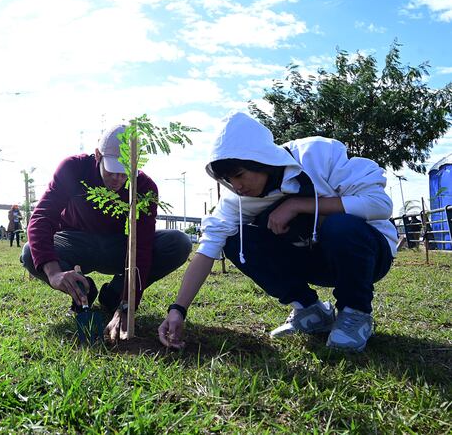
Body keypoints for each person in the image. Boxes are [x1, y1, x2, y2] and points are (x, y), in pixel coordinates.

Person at [158, 112, 397, 353]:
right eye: (228, 180)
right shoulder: (236, 200)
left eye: (239, 175)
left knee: (341, 225)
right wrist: (178, 309)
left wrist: (297, 205)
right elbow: (207, 250)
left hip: (367, 256)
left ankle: (356, 312)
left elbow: (379, 204)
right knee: (233, 238)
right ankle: (311, 312)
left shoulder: (316, 155)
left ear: (259, 161)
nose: (236, 186)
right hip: (313, 260)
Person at [22, 123, 192, 341]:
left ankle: (114, 296)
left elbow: (140, 246)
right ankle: (83, 289)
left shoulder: (144, 188)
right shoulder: (73, 169)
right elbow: (42, 217)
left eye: (125, 173)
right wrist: (54, 273)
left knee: (178, 242)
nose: (118, 180)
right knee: (30, 253)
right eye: (112, 171)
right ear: (97, 155)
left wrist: (126, 306)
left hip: (119, 247)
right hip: (76, 243)